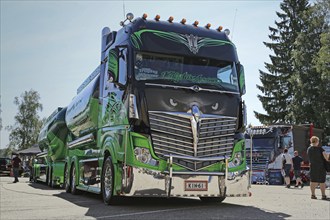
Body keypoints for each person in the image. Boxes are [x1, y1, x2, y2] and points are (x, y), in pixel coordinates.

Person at [307, 136, 329, 200]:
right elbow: (326, 158)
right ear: (317, 142)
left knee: (313, 180)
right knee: (322, 181)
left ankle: (313, 195)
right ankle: (323, 195)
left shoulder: (309, 149)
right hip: (321, 167)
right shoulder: (320, 149)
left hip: (313, 167)